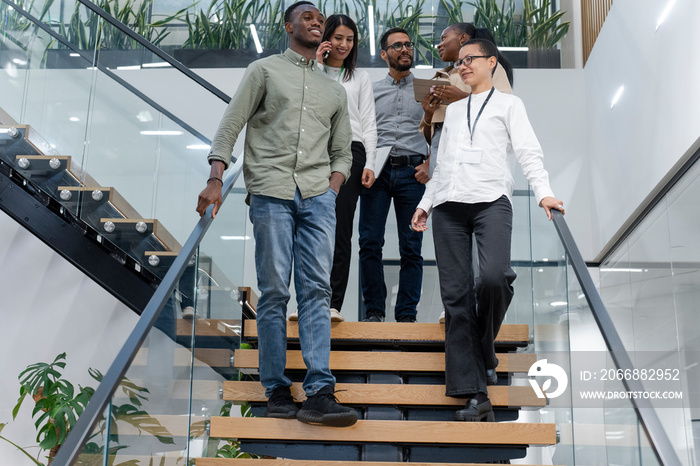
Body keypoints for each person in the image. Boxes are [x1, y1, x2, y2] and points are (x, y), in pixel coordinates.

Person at [196, 1, 358, 427]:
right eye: (307, 17)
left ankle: (320, 390)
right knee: (273, 293)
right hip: (270, 192)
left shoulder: (335, 90)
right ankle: (276, 388)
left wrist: (332, 188)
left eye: (320, 19)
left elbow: (343, 151)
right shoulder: (263, 70)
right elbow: (232, 124)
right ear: (288, 26)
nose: (316, 22)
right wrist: (216, 177)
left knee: (317, 293)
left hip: (318, 198)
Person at [411, 39, 564, 422]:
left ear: (491, 63)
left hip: (492, 200)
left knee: (495, 278)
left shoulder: (510, 105)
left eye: (470, 60)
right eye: (459, 62)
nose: (462, 66)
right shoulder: (454, 109)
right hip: (448, 206)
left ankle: (483, 350)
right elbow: (442, 164)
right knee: (457, 298)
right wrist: (424, 204)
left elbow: (529, 151)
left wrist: (544, 193)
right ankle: (475, 394)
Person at [419, 23, 513, 324]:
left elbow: (500, 108)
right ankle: (457, 305)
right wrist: (428, 112)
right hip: (444, 152)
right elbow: (431, 131)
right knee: (452, 237)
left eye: (443, 39)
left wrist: (460, 97)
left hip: (478, 158)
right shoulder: (440, 75)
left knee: (481, 242)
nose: (439, 45)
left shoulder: (490, 66)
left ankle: (474, 303)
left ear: (463, 40)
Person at [288, 14, 378, 323]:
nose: (343, 44)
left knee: (340, 230)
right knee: (308, 229)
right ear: (327, 38)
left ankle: (331, 303)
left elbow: (368, 123)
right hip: (314, 148)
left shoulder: (360, 78)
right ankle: (307, 301)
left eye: (349, 39)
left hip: (350, 152)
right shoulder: (312, 70)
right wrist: (314, 62)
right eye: (338, 37)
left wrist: (371, 163)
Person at [359, 27, 428, 323]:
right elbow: (361, 132)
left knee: (411, 247)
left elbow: (440, 132)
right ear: (385, 54)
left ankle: (406, 315)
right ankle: (374, 311)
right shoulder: (371, 90)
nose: (405, 49)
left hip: (414, 174)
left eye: (408, 45)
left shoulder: (428, 89)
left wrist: (430, 164)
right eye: (397, 45)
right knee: (370, 243)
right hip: (377, 172)